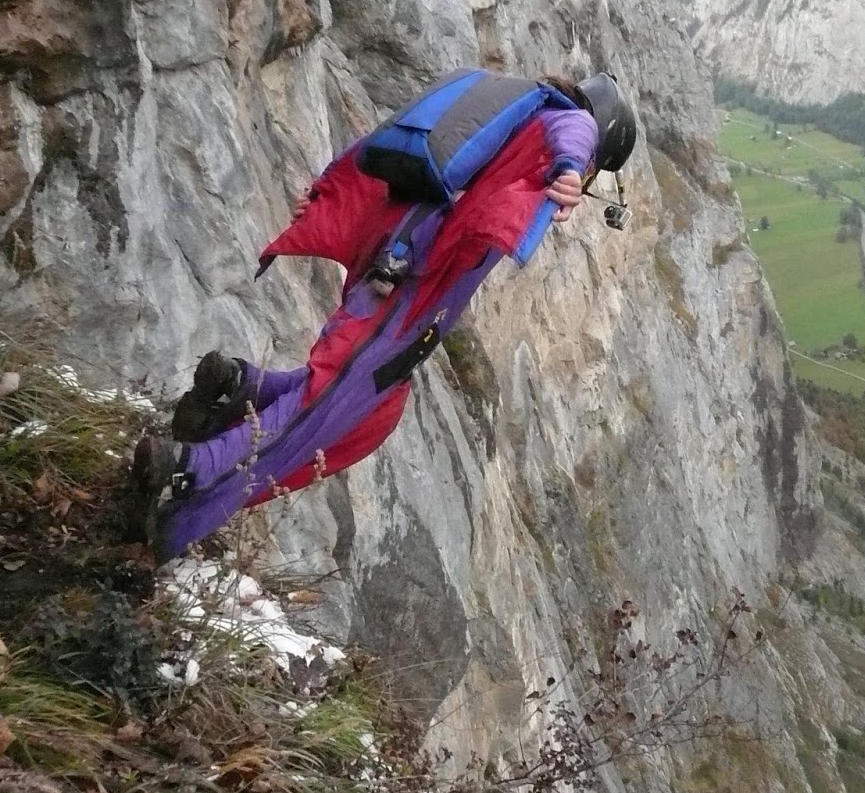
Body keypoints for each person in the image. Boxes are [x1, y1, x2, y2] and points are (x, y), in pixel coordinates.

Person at [129, 70, 637, 560]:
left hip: (394, 267)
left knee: (372, 416)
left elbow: (373, 147)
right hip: (410, 287)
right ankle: (189, 477)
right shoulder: (567, 122)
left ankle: (241, 389)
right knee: (324, 411)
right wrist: (571, 167)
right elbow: (578, 130)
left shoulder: (497, 108)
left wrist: (328, 196)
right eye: (594, 172)